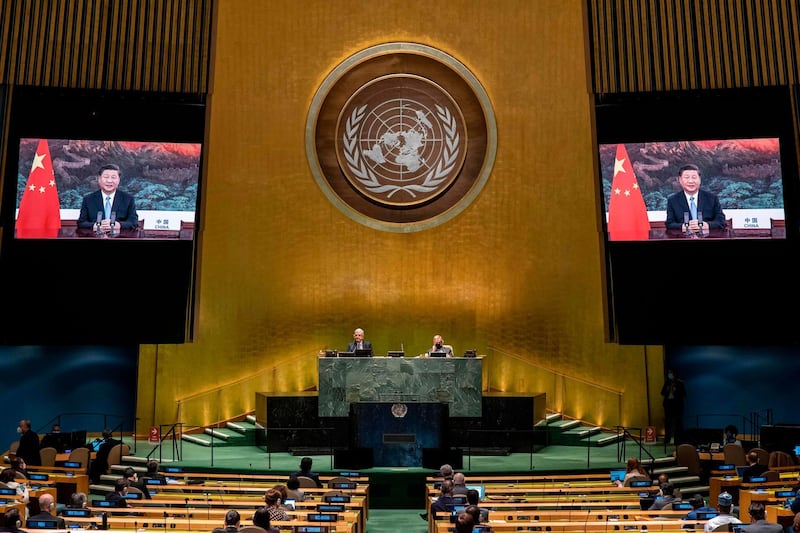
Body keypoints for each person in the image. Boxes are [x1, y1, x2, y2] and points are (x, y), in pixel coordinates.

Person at [77, 164, 139, 234]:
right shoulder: (88, 199)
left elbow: (134, 222)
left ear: (118, 180)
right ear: (99, 179)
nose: (109, 181)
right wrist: (94, 226)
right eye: (106, 177)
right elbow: (81, 223)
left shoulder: (128, 199)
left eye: (113, 177)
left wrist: (119, 225)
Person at [665, 164, 726, 233]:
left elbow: (721, 222)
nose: (691, 181)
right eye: (687, 177)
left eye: (694, 177)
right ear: (680, 180)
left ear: (699, 179)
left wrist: (707, 225)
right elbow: (669, 224)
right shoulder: (673, 200)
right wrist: (683, 227)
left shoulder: (712, 198)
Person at [661, 369, 686, 444]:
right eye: (669, 373)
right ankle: (667, 439)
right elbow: (662, 392)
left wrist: (676, 390)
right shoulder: (667, 383)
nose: (670, 375)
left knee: (677, 422)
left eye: (671, 373)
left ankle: (677, 440)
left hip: (677, 405)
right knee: (668, 422)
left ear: (675, 374)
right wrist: (667, 389)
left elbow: (684, 394)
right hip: (668, 404)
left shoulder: (680, 383)